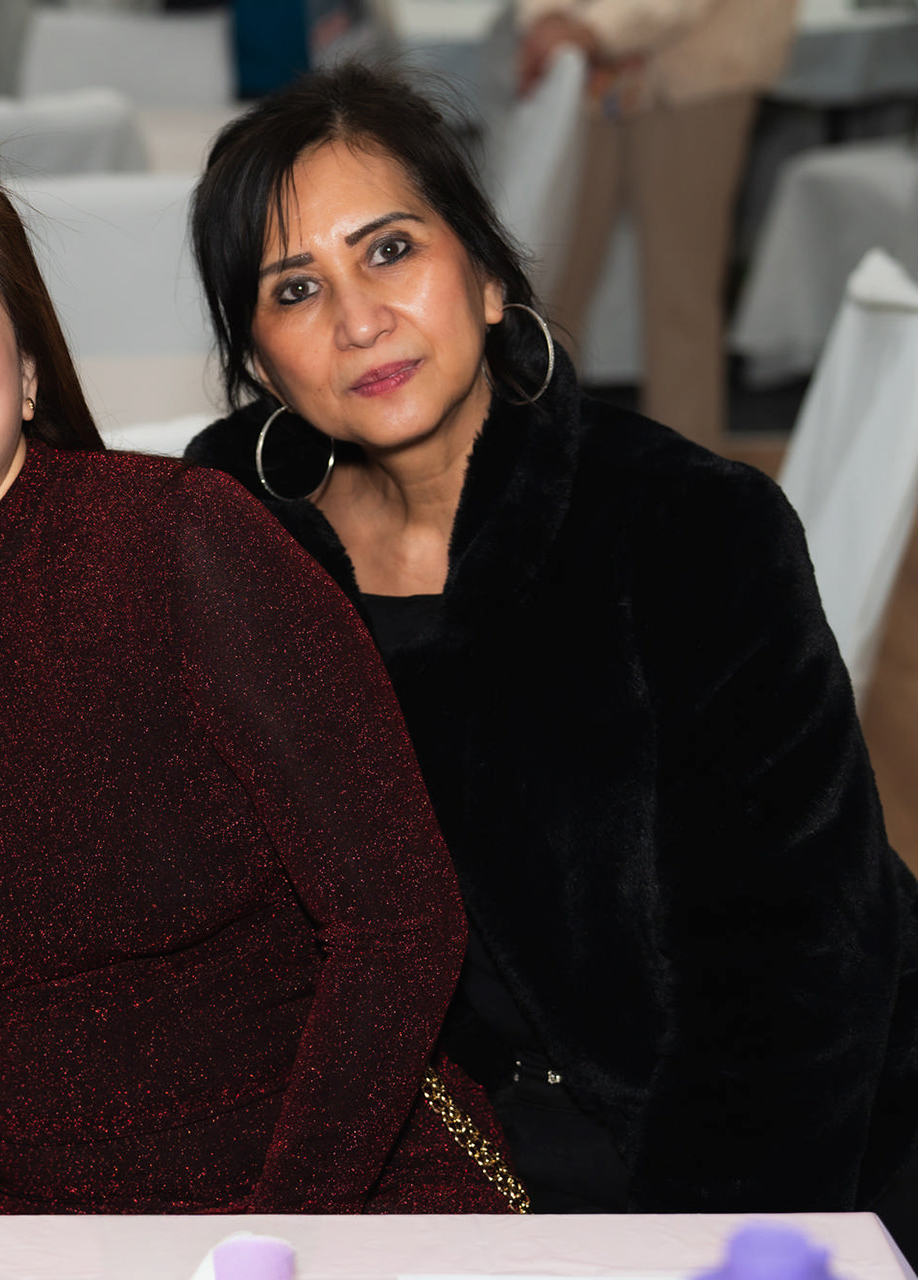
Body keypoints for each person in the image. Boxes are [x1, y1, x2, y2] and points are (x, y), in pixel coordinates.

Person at [0, 136, 523, 1214]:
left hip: (358, 1198)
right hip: (41, 1240)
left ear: (29, 368)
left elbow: (398, 923)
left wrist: (272, 1244)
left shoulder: (182, 545)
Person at [184, 63, 918, 1221]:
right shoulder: (236, 559)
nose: (359, 319)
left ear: (485, 275)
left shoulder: (687, 529)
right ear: (261, 362)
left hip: (748, 1157)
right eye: (295, 288)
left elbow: (800, 975)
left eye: (390, 250)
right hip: (451, 1166)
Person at [515, 0, 799, 448]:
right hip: (585, 69)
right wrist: (547, 16)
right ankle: (530, 463)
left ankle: (687, 480)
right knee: (544, 284)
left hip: (696, 68)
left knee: (680, 302)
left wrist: (590, 30)